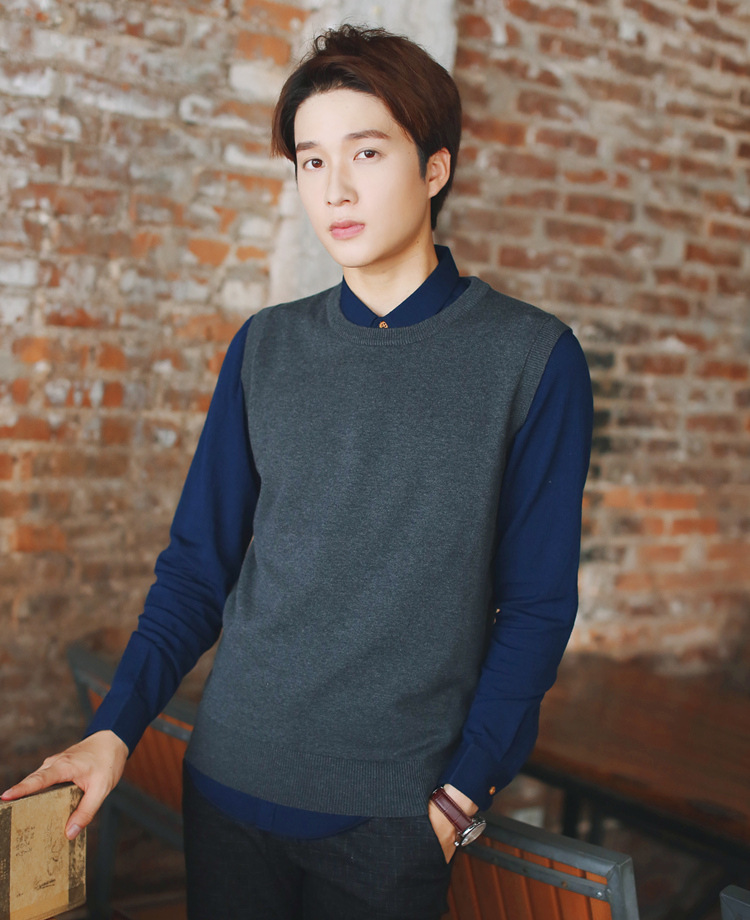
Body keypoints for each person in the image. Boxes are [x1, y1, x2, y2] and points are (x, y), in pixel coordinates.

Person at [2, 24, 593, 920]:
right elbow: (196, 570)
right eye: (311, 162)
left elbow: (538, 606)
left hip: (394, 819)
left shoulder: (532, 359)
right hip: (228, 785)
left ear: (435, 167)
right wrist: (113, 729)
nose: (335, 189)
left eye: (366, 153)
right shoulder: (265, 348)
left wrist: (458, 798)